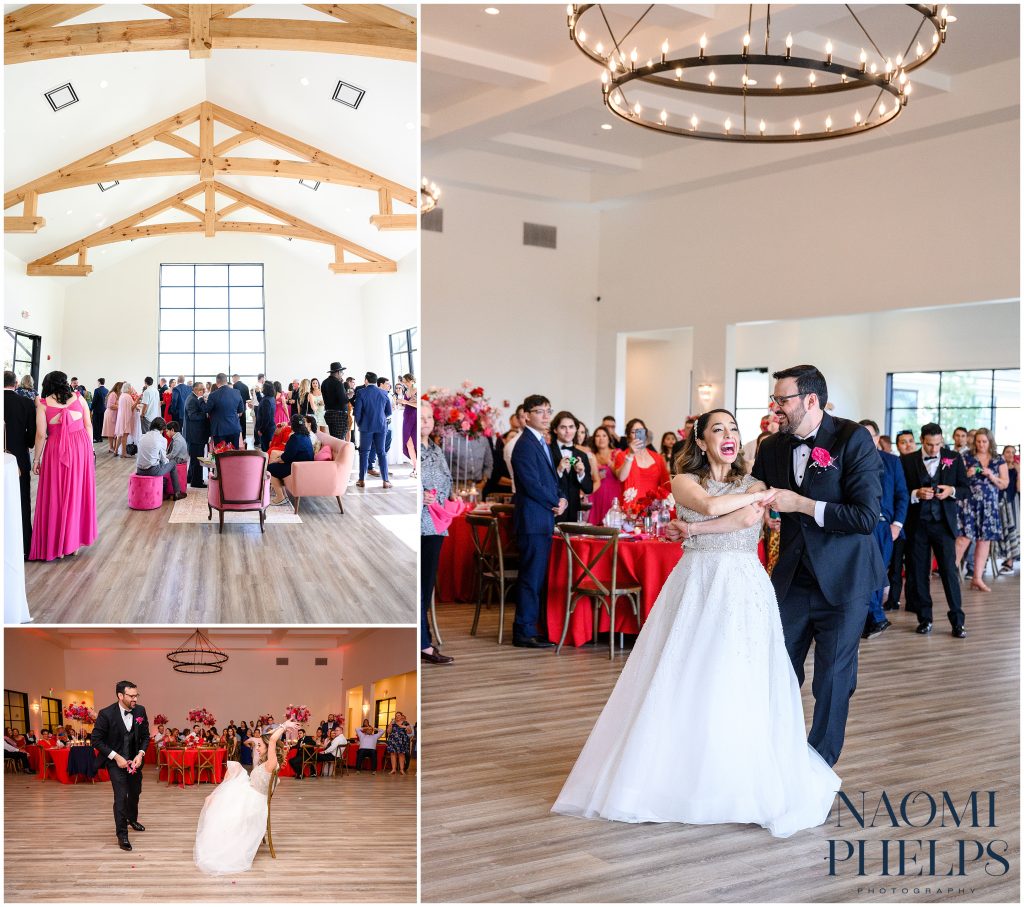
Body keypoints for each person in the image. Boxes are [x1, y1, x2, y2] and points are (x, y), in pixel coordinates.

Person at [553, 409, 839, 837]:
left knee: (738, 673)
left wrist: (691, 529)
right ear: (702, 441)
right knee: (687, 670)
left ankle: (736, 771)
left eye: (733, 429)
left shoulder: (756, 484)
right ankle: (677, 771)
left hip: (744, 584)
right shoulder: (686, 479)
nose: (728, 435)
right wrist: (710, 519)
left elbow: (743, 521)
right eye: (718, 429)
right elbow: (708, 506)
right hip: (699, 581)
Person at [751, 364, 885, 767]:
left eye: (782, 400)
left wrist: (803, 505)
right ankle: (777, 755)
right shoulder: (773, 447)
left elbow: (865, 517)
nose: (776, 409)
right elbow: (752, 493)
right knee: (778, 670)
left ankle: (817, 767)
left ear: (811, 400)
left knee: (832, 680)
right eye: (774, 400)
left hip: (844, 579)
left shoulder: (852, 439)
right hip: (792, 580)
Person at [194, 720, 299, 874]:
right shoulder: (268, 762)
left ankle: (223, 833)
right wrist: (283, 725)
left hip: (254, 801)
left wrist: (284, 725)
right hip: (250, 792)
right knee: (232, 771)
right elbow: (268, 738)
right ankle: (215, 803)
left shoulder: (271, 763)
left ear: (270, 748)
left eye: (260, 746)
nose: (257, 747)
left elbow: (272, 740)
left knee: (220, 803)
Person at [899, 422, 970, 637]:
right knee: (919, 573)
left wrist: (951, 490)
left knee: (949, 572)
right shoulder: (907, 460)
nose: (934, 449)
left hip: (943, 525)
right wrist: (915, 494)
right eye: (930, 445)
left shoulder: (954, 458)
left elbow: (965, 489)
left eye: (938, 444)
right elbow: (901, 491)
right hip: (917, 525)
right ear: (922, 440)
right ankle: (925, 619)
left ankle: (958, 622)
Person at [510, 394, 566, 648]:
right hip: (532, 520)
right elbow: (531, 484)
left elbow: (551, 479)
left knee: (537, 577)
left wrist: (562, 497)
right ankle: (523, 630)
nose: (546, 416)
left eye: (548, 410)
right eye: (540, 411)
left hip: (541, 518)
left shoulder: (541, 442)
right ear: (527, 415)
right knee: (531, 578)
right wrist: (555, 500)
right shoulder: (523, 445)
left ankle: (532, 626)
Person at [29, 371, 98, 561]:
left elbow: (41, 435)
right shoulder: (79, 398)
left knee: (56, 495)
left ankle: (57, 546)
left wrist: (36, 460)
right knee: (76, 493)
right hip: (80, 447)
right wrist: (90, 450)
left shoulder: (43, 404)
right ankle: (73, 544)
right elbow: (88, 425)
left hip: (56, 448)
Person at [858, 420, 908, 640]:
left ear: (878, 438)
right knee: (863, 572)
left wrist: (897, 525)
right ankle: (874, 619)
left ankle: (875, 618)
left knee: (879, 572)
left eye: (870, 436)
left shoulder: (892, 462)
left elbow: (902, 495)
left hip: (883, 526)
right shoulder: (853, 460)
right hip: (859, 524)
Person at [92, 681, 149, 852]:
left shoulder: (140, 711)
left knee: (135, 792)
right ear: (120, 696)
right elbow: (96, 740)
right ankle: (122, 834)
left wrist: (140, 754)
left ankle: (132, 819)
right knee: (120, 796)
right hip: (115, 762)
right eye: (131, 696)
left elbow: (145, 736)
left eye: (136, 695)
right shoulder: (106, 714)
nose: (135, 699)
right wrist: (116, 757)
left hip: (135, 761)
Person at [420, 404, 455, 665]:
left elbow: (446, 480)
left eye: (429, 418)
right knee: (419, 587)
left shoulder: (435, 448)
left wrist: (449, 498)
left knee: (426, 585)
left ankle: (424, 640)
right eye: (421, 418)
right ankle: (423, 643)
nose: (426, 422)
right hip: (419, 524)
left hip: (436, 524)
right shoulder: (409, 449)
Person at [954, 427, 1009, 591]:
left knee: (984, 541)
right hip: (969, 504)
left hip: (989, 506)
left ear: (990, 441)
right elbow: (957, 478)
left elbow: (1004, 484)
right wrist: (967, 474)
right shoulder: (967, 456)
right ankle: (949, 573)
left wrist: (991, 475)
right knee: (963, 539)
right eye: (978, 441)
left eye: (984, 441)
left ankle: (977, 578)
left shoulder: (998, 459)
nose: (981, 444)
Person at [4, 370, 36, 557]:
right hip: (18, 457)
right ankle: (23, 547)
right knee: (22, 500)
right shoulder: (26, 403)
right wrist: (24, 443)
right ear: (16, 384)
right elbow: (31, 435)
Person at [549, 411, 594, 522]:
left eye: (571, 427)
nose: (568, 431)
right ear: (555, 430)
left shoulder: (582, 455)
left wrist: (581, 474)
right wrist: (559, 470)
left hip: (574, 514)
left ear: (576, 429)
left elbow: (588, 489)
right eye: (563, 427)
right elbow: (543, 483)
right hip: (553, 511)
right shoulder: (547, 451)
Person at [612, 418, 670, 499]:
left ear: (645, 435)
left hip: (654, 508)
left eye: (640, 431)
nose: (637, 434)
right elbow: (621, 478)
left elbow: (666, 484)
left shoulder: (658, 458)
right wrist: (631, 455)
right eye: (633, 432)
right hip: (632, 507)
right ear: (628, 437)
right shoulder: (622, 456)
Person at [353, 372, 393, 489]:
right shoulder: (383, 392)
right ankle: (386, 481)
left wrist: (361, 423)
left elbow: (357, 412)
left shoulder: (361, 392)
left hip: (366, 427)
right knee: (381, 452)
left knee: (364, 452)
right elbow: (389, 412)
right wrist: (380, 418)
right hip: (381, 425)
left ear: (366, 380)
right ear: (376, 381)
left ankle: (361, 479)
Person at [267, 414, 314, 506]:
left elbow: (287, 457)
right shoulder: (306, 436)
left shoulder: (295, 437)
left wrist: (276, 460)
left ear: (293, 425)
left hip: (297, 468)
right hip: (303, 466)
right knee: (275, 465)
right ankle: (282, 495)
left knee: (270, 468)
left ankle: (280, 497)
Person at [136, 417, 186, 500]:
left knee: (160, 466)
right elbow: (164, 460)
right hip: (151, 470)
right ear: (162, 429)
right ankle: (177, 493)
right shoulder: (162, 439)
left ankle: (162, 490)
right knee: (173, 463)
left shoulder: (142, 437)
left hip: (139, 470)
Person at [586, 425, 623, 526]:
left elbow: (620, 475)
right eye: (598, 436)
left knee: (611, 525)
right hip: (595, 494)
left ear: (609, 438)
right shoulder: (591, 455)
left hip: (612, 495)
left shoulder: (616, 453)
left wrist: (609, 463)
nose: (601, 438)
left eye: (604, 435)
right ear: (594, 439)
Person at [202, 374, 244, 449]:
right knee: (234, 453)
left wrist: (201, 400)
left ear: (217, 381)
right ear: (226, 381)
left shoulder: (213, 395)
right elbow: (241, 410)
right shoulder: (237, 392)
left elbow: (206, 409)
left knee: (220, 455)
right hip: (234, 428)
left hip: (219, 429)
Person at [997, 445, 1019, 573]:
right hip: (999, 502)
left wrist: (1020, 471)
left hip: (1012, 503)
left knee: (1012, 529)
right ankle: (1006, 558)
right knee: (1001, 530)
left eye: (1012, 452)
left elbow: (1019, 489)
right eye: (1007, 452)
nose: (1010, 454)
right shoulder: (999, 468)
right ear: (1003, 453)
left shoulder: (1017, 470)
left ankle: (1010, 562)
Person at [184, 382, 210, 489]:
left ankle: (190, 477)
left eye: (203, 389)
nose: (203, 391)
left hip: (195, 434)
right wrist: (205, 414)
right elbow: (193, 416)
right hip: (195, 434)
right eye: (201, 389)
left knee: (194, 458)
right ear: (195, 389)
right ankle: (196, 481)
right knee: (197, 458)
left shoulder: (194, 398)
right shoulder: (192, 400)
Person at [367, 376, 394, 477]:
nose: (389, 385)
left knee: (386, 446)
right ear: (381, 384)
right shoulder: (376, 394)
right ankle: (370, 467)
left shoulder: (389, 395)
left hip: (389, 422)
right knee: (375, 445)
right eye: (387, 383)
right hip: (379, 423)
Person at [395, 373, 418, 470]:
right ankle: (415, 466)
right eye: (404, 381)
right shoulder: (406, 391)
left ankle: (416, 468)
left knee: (414, 442)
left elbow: (417, 405)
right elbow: (407, 404)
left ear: (412, 381)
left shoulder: (417, 390)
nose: (404, 383)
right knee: (408, 443)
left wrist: (406, 402)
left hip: (414, 416)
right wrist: (402, 403)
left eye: (406, 381)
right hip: (407, 416)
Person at [322, 362, 348, 440]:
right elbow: (343, 401)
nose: (342, 374)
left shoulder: (324, 382)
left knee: (332, 440)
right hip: (339, 415)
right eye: (342, 372)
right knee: (339, 440)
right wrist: (348, 396)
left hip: (328, 414)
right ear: (338, 372)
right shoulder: (338, 383)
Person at [114, 382, 139, 458]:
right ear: (128, 388)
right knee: (125, 435)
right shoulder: (128, 396)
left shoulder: (122, 395)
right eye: (131, 387)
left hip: (121, 417)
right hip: (126, 418)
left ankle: (115, 451)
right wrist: (137, 401)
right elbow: (131, 408)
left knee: (120, 435)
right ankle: (123, 453)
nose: (131, 389)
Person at [255, 381, 276, 453]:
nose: (262, 388)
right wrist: (258, 393)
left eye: (263, 387)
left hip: (267, 429)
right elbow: (261, 401)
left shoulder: (267, 400)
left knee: (266, 449)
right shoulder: (270, 398)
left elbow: (266, 418)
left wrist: (261, 430)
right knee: (268, 448)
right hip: (270, 427)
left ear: (266, 389)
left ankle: (266, 464)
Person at [102, 381, 122, 452]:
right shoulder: (113, 394)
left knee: (115, 431)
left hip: (115, 414)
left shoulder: (118, 394)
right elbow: (110, 405)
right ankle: (111, 447)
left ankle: (114, 447)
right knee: (110, 431)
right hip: (110, 414)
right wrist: (121, 406)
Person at [232, 374, 251, 445]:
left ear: (235, 378)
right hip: (243, 407)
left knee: (235, 423)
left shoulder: (234, 386)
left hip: (235, 408)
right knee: (243, 423)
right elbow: (248, 398)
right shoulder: (245, 386)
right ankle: (244, 438)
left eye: (233, 379)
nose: (232, 381)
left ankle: (236, 440)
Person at [91, 378, 109, 443]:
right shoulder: (107, 390)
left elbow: (94, 401)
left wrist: (91, 408)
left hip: (97, 410)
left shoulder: (97, 390)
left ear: (99, 382)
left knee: (95, 424)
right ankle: (100, 438)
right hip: (104, 410)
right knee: (101, 424)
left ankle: (96, 438)